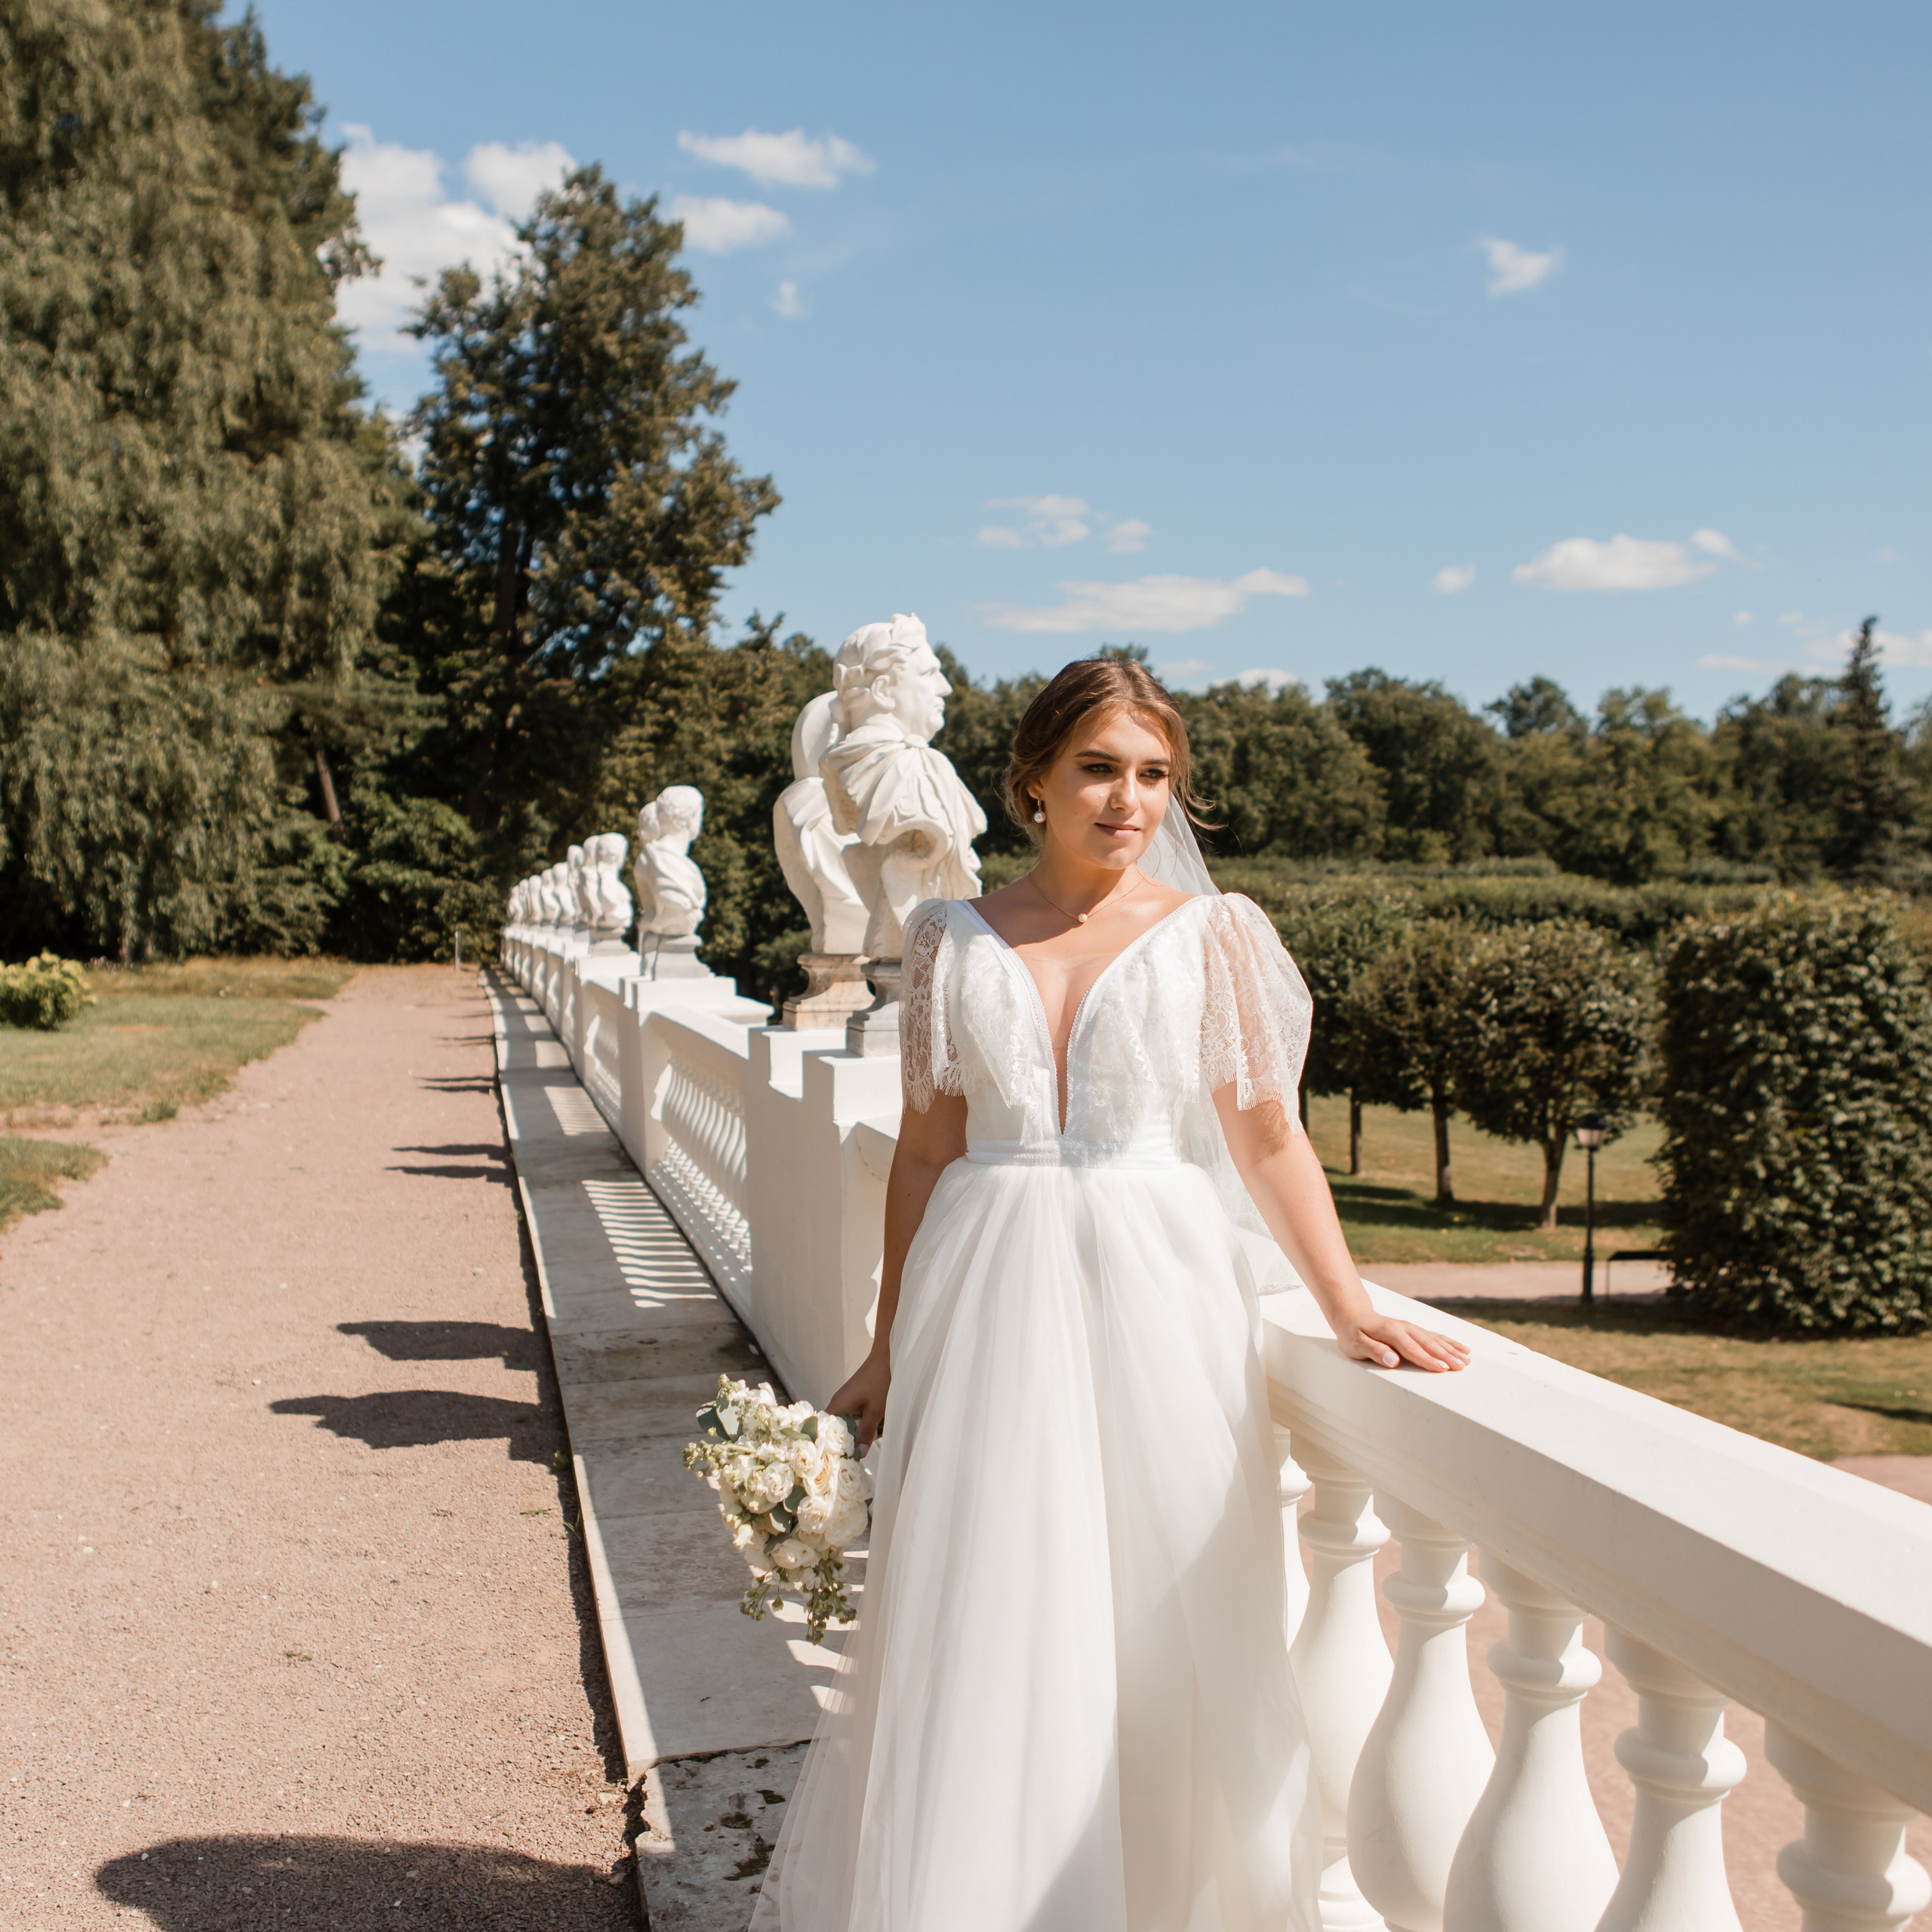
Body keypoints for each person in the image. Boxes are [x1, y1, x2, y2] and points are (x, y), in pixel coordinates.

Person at [751, 657, 1469, 1931]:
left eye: (1152, 776)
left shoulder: (1217, 934)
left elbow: (1267, 1139)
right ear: (1033, 782)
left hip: (1161, 1301)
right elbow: (925, 1150)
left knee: (1164, 1612)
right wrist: (886, 1346)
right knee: (991, 1607)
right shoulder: (948, 936)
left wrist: (1348, 1303)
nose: (1129, 800)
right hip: (988, 1301)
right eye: (1099, 769)